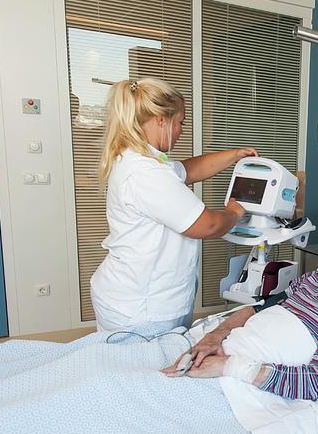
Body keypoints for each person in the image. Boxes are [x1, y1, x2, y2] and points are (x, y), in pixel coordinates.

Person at [162, 211, 318, 401]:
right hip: (218, 350)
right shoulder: (317, 278)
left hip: (236, 378)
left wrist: (227, 366)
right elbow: (259, 307)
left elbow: (315, 381)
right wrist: (214, 336)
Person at [91, 77, 257, 333]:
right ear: (161, 120)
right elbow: (208, 225)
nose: (180, 130)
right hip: (142, 306)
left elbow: (188, 170)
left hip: (132, 293)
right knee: (148, 369)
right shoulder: (146, 173)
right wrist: (235, 211)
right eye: (180, 122)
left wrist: (235, 155)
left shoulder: (140, 160)